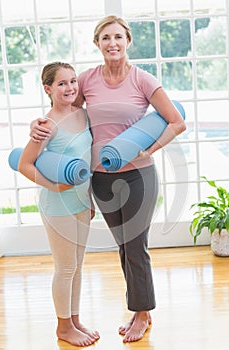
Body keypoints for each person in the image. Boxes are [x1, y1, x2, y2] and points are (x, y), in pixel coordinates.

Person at [29, 16, 186, 343]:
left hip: (138, 177)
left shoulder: (143, 80)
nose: (112, 43)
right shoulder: (86, 80)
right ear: (97, 44)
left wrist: (150, 149)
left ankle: (142, 314)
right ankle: (134, 309)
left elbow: (175, 122)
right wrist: (38, 128)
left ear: (128, 40)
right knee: (123, 247)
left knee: (136, 246)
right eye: (105, 38)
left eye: (118, 36)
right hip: (100, 179)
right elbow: (68, 113)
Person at [18, 62, 100, 347]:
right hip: (57, 205)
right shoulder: (47, 125)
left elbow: (86, 163)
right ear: (48, 89)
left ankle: (74, 320)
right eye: (62, 83)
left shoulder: (83, 115)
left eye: (73, 82)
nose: (70, 88)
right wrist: (55, 186)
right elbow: (24, 164)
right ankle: (63, 327)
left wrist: (88, 199)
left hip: (80, 202)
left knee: (77, 266)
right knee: (65, 267)